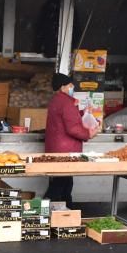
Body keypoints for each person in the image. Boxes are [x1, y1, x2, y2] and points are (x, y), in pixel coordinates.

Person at [43, 72, 100, 206]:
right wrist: (88, 134)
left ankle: (67, 209)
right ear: (63, 87)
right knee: (60, 182)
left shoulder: (56, 100)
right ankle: (43, 208)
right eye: (70, 85)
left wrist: (83, 112)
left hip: (57, 148)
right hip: (65, 150)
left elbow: (69, 118)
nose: (72, 88)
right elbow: (73, 128)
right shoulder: (66, 102)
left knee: (65, 182)